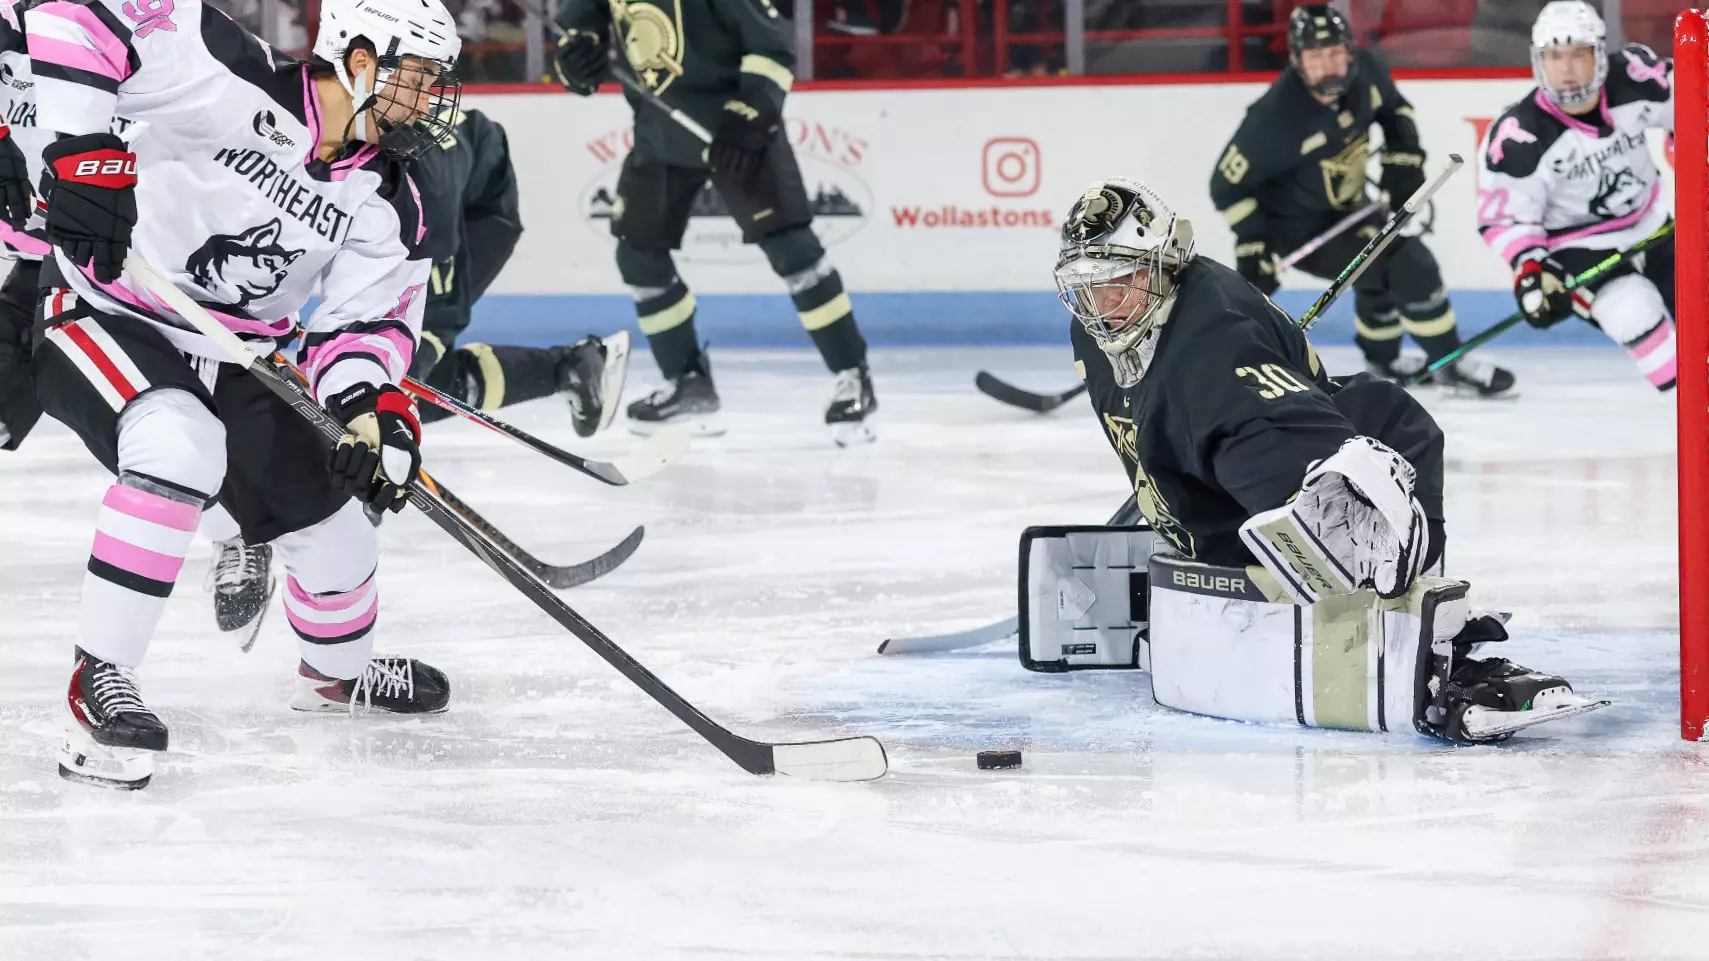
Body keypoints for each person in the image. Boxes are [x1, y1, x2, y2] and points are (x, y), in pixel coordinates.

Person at [14, 0, 464, 788]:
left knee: (338, 538)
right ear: (360, 60)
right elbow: (71, 14)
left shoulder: (391, 196)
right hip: (106, 307)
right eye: (418, 77)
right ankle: (98, 684)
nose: (430, 99)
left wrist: (369, 411)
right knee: (177, 444)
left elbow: (361, 327)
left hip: (238, 353)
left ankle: (337, 676)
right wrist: (81, 148)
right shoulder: (220, 67)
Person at [1055, 175, 1602, 742]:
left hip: (1223, 498)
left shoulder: (1213, 351)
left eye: (1122, 279)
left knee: (1386, 424)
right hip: (1222, 531)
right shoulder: (1110, 333)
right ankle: (1418, 634)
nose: (1104, 305)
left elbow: (1295, 468)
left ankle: (1405, 615)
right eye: (1087, 285)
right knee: (1393, 420)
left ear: (1167, 261)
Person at [0, 11, 274, 642]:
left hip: (130, 262)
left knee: (159, 426)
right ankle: (237, 524)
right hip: (31, 255)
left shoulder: (150, 24)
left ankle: (237, 528)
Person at [551, 0, 878, 445]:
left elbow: (774, 47)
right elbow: (578, 34)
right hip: (659, 132)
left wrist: (750, 115)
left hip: (734, 128)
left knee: (793, 250)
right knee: (639, 256)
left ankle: (852, 375)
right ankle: (688, 384)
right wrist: (577, 60)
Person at [1209, 4, 1516, 398]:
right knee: (1410, 261)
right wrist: (1253, 242)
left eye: (1336, 53)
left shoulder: (1366, 71)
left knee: (1376, 274)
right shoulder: (1273, 118)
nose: (1330, 66)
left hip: (1352, 213)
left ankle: (1383, 358)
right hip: (1298, 233)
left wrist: (1402, 158)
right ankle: (1448, 362)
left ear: (1350, 52)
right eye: (1316, 57)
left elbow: (1395, 110)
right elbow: (1226, 186)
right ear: (1297, 60)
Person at [1477, 1, 1676, 391]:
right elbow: (1506, 220)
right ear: (1539, 61)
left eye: (1578, 55)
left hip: (1653, 224)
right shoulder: (1521, 135)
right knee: (1636, 317)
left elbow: (1692, 110)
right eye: (1554, 57)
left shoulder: (1636, 77)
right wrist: (1533, 271)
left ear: (1600, 54)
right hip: (1580, 249)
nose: (1566, 70)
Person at [409, 105, 629, 434]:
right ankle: (570, 369)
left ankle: (566, 367)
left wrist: (412, 362)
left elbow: (439, 313)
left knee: (406, 375)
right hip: (450, 182)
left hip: (480, 205)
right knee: (419, 383)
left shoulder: (420, 187)